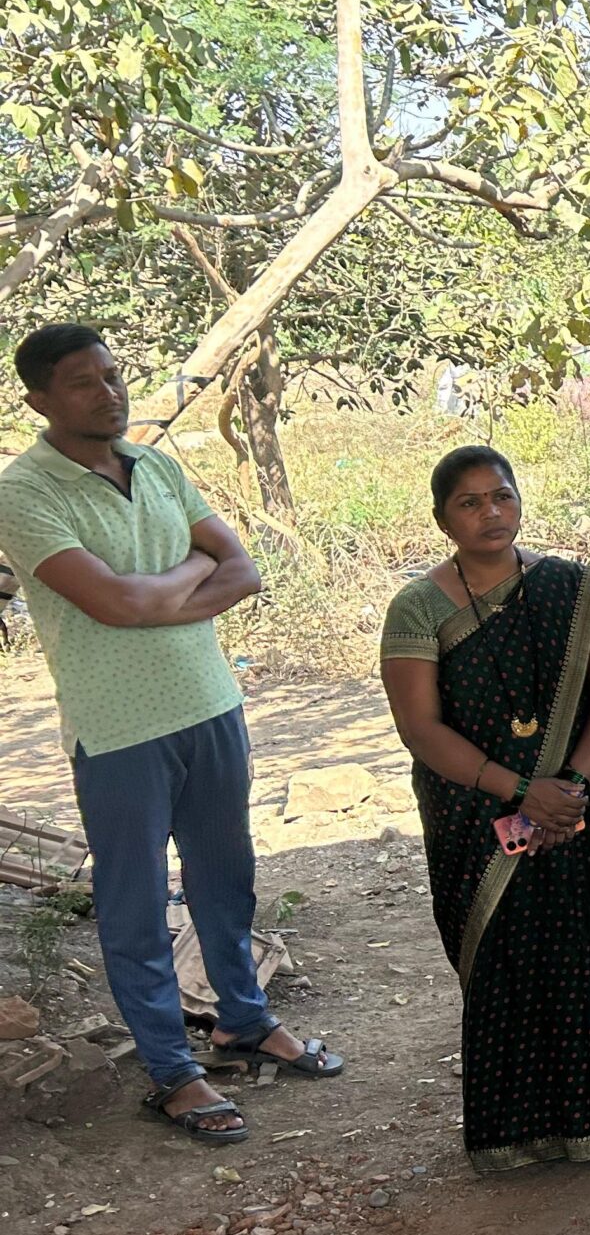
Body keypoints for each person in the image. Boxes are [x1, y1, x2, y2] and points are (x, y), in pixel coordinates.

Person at [0, 324, 339, 1147]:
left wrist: (156, 593)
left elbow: (243, 571)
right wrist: (189, 574)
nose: (108, 393)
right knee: (136, 906)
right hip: (118, 730)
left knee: (226, 881)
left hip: (210, 705)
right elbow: (113, 604)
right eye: (83, 382)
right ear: (39, 400)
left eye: (113, 375)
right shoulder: (24, 492)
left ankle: (244, 1021)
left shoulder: (156, 466)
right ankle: (172, 1071)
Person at [379, 446, 590, 1173]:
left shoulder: (571, 588)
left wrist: (569, 784)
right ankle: (512, 1129)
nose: (491, 513)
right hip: (476, 815)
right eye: (470, 502)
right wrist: (519, 791)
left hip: (580, 806)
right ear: (442, 519)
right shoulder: (419, 607)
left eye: (501, 496)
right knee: (506, 961)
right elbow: (421, 728)